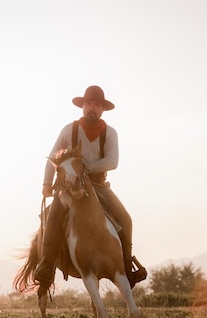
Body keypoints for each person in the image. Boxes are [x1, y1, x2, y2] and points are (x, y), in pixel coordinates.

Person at [34, 85, 147, 288]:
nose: (92, 108)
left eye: (96, 105)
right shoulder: (69, 130)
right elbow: (52, 159)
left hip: (99, 185)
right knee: (53, 217)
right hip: (69, 188)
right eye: (88, 104)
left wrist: (87, 168)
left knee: (126, 220)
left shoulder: (110, 133)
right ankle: (46, 264)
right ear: (82, 106)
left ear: (102, 109)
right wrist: (46, 184)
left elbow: (113, 161)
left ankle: (126, 266)